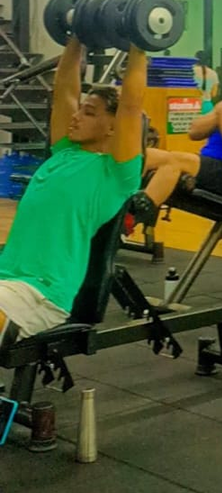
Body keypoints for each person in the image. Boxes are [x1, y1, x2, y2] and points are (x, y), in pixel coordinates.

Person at [0, 38, 146, 345]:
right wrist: (77, 36)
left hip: (40, 293)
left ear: (113, 126)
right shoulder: (64, 152)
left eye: (89, 112)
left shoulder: (115, 175)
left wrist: (139, 44)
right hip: (6, 278)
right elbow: (65, 89)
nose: (76, 116)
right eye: (80, 109)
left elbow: (131, 106)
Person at [139, 58, 222, 216]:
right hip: (206, 166)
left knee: (176, 161)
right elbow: (194, 132)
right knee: (147, 155)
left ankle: (138, 212)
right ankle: (123, 204)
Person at [193, 50, 220, 115]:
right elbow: (214, 94)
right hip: (208, 106)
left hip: (193, 105)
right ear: (208, 61)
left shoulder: (191, 72)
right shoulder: (213, 73)